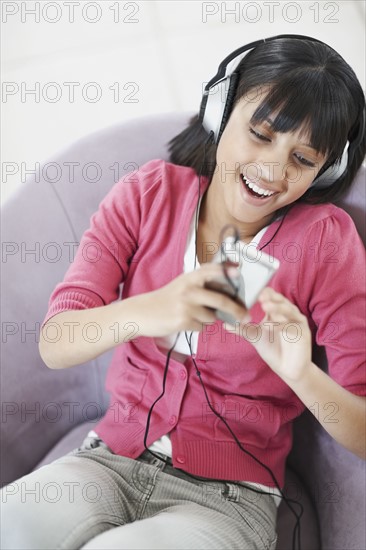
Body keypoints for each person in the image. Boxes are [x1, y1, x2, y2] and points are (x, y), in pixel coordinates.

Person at [1, 35, 365, 550]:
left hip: (229, 498)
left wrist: (300, 375)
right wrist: (154, 308)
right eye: (260, 135)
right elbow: (56, 343)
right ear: (220, 112)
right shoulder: (146, 194)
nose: (274, 171)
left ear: (325, 169)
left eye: (303, 160)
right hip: (108, 460)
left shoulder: (325, 240)